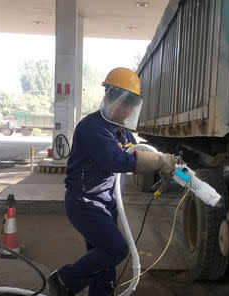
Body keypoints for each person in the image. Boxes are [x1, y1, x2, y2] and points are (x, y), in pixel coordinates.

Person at [48, 67, 177, 296]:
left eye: (130, 106)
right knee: (116, 249)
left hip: (106, 204)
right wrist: (158, 161)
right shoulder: (91, 127)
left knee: (103, 261)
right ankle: (64, 279)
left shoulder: (122, 131)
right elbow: (116, 160)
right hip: (84, 202)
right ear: (109, 96)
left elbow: (134, 153)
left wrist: (167, 168)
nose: (126, 111)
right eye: (123, 103)